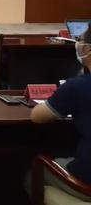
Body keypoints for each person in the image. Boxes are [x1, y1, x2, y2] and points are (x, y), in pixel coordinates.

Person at [29, 25, 91, 200]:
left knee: (32, 174)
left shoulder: (77, 86)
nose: (78, 44)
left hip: (86, 183)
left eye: (80, 40)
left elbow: (37, 116)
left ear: (88, 50)